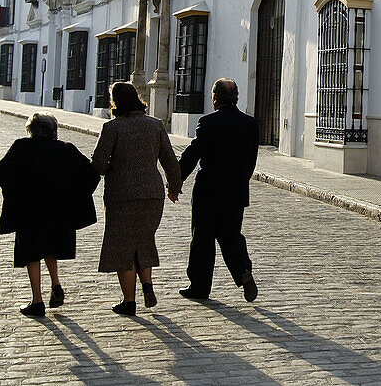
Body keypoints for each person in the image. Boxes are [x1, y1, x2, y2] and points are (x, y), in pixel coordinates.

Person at [91, 82, 181, 316]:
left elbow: (99, 164)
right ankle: (148, 285)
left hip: (121, 195)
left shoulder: (112, 128)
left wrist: (112, 168)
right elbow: (170, 160)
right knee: (143, 239)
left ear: (116, 102)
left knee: (123, 246)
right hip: (152, 193)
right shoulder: (156, 125)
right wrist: (174, 186)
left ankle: (129, 300)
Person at [0, 113, 99, 317]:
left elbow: (2, 173)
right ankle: (56, 284)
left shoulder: (21, 147)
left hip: (29, 210)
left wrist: (14, 194)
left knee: (31, 253)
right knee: (50, 248)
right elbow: (91, 174)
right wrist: (74, 197)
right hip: (57, 211)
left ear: (32, 130)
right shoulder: (65, 149)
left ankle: (37, 300)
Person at [177, 78, 260, 302]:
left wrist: (176, 181)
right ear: (236, 98)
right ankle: (243, 271)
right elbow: (250, 162)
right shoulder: (251, 125)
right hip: (236, 192)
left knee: (202, 240)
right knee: (232, 236)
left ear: (215, 99)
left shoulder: (208, 123)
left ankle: (200, 286)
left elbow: (192, 155)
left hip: (208, 193)